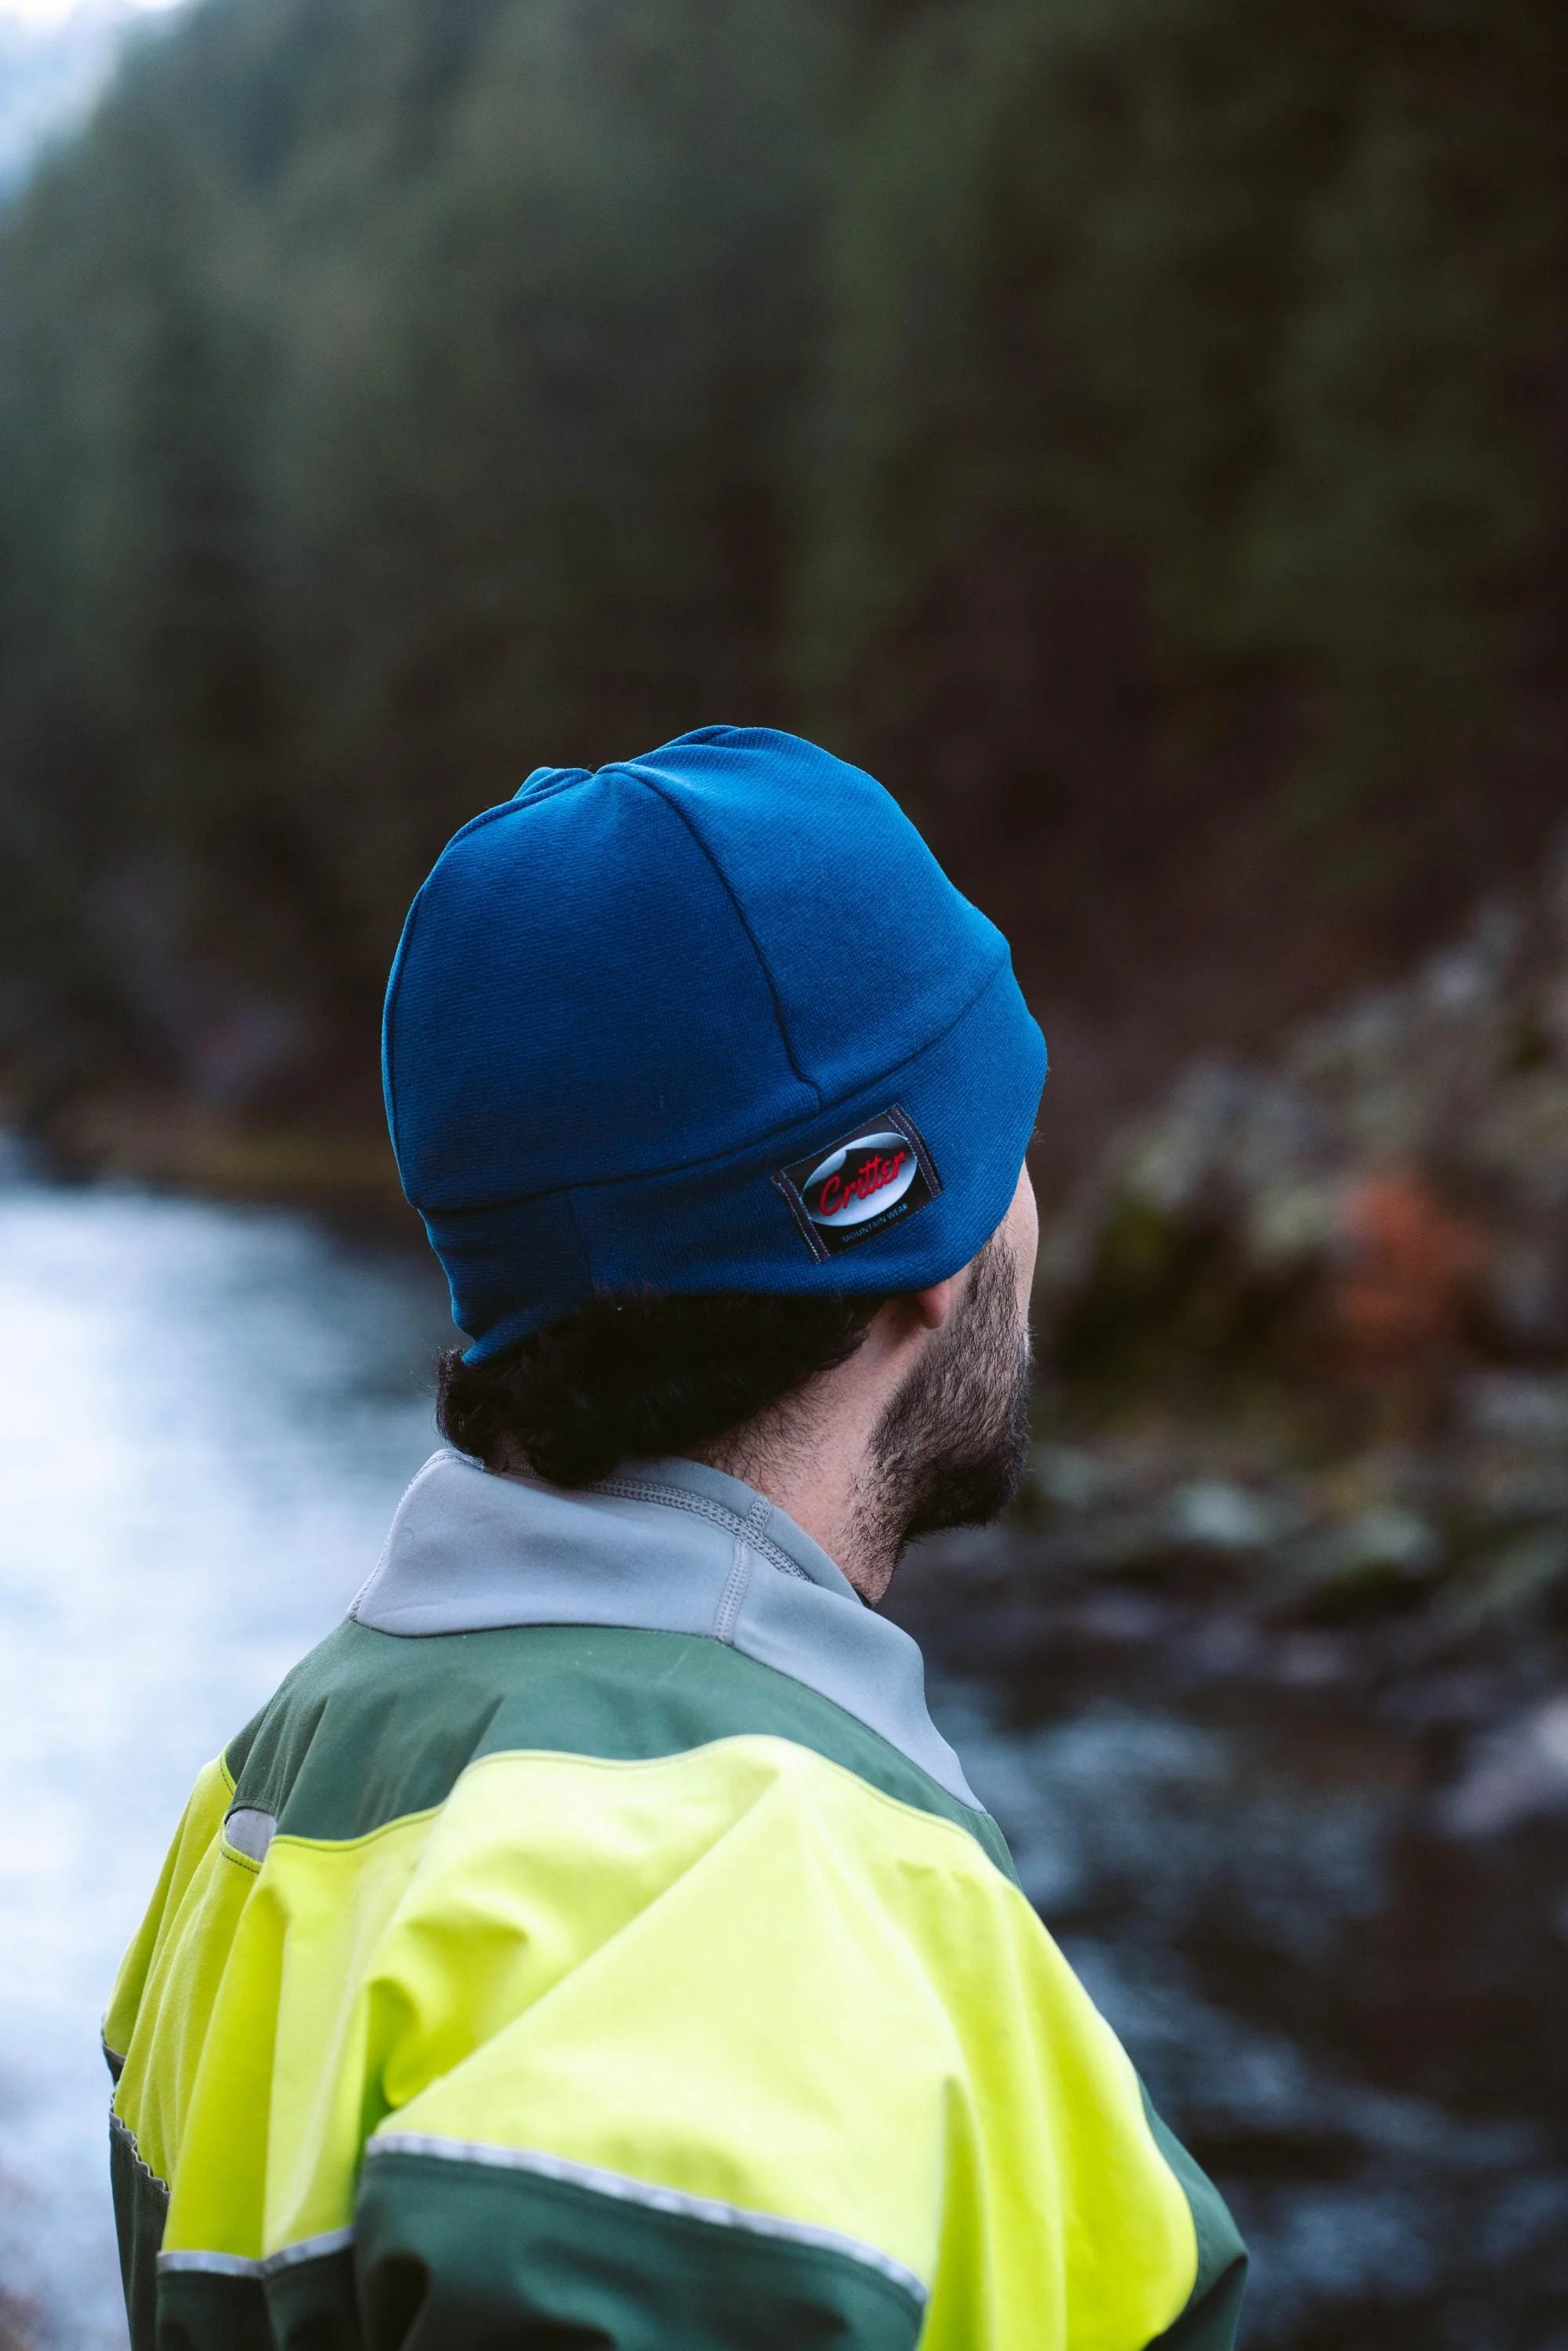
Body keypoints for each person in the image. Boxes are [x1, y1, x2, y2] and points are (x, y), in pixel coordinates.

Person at [104, 727, 1248, 2349]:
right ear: (913, 1215)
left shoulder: (278, 1786)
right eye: (1010, 1143)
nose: (1033, 1213)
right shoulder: (750, 1884)